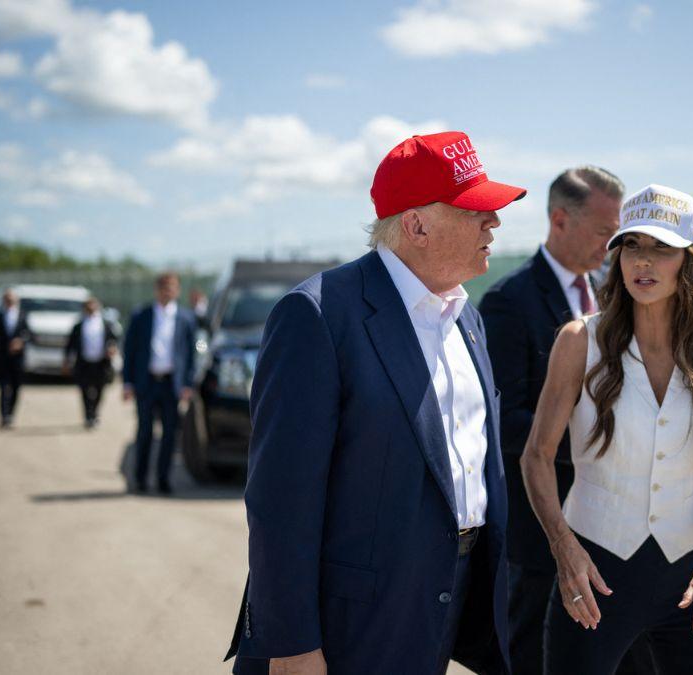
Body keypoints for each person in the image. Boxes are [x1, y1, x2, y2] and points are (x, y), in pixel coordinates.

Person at [225, 131, 525, 675]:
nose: (495, 224)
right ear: (416, 225)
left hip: (445, 600)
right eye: (476, 211)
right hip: (351, 620)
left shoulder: (467, 318)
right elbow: (280, 498)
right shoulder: (318, 316)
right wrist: (290, 643)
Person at [522, 185, 693, 674]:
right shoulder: (580, 341)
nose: (642, 262)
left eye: (661, 249)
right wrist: (565, 550)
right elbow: (536, 456)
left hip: (690, 581)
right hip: (595, 578)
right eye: (631, 246)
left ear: (691, 260)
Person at [481, 166, 659, 675]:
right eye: (606, 232)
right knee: (532, 657)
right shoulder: (509, 303)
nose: (613, 245)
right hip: (544, 529)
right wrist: (596, 441)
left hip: (618, 525)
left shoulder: (616, 294)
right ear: (560, 220)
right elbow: (503, 419)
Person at [121, 272, 198, 495]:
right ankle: (140, 478)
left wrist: (187, 384)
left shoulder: (186, 318)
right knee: (144, 432)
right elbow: (130, 350)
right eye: (163, 287)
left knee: (169, 434)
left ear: (178, 290)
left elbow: (190, 354)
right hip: (146, 383)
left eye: (172, 287)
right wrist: (127, 383)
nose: (167, 291)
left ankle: (163, 479)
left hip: (171, 385)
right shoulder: (141, 315)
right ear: (156, 290)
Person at [64, 296, 119, 428]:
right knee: (84, 390)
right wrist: (66, 361)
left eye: (93, 305)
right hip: (84, 363)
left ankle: (95, 412)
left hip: (101, 363)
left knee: (100, 389)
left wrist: (112, 348)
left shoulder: (106, 324)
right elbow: (70, 345)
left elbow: (115, 340)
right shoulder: (78, 326)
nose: (91, 308)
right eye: (88, 305)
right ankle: (88, 415)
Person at [0, 289, 31, 429]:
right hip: (2, 358)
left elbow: (28, 334)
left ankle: (11, 414)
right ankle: (4, 416)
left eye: (12, 299)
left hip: (17, 359)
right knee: (3, 388)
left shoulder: (23, 315)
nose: (10, 302)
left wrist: (21, 342)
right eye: (7, 299)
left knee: (16, 388)